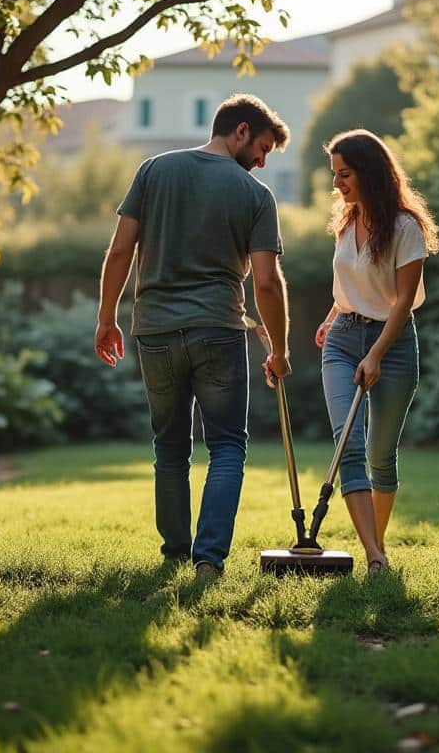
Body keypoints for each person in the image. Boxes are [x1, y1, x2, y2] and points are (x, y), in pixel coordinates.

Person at [95, 94, 293, 581]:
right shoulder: (255, 196)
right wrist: (282, 350)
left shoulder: (154, 171)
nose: (263, 162)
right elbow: (266, 282)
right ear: (241, 131)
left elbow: (120, 250)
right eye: (263, 148)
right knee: (226, 446)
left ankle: (175, 554)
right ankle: (208, 561)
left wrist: (106, 317)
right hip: (218, 331)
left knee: (169, 446)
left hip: (155, 330)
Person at [315, 129, 439, 574]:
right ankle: (374, 555)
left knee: (380, 455)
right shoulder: (346, 221)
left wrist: (377, 355)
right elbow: (351, 282)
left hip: (395, 344)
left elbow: (401, 302)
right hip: (343, 339)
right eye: (335, 174)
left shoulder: (406, 227)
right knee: (346, 445)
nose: (337, 184)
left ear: (368, 172)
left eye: (344, 174)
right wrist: (332, 318)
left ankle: (377, 547)